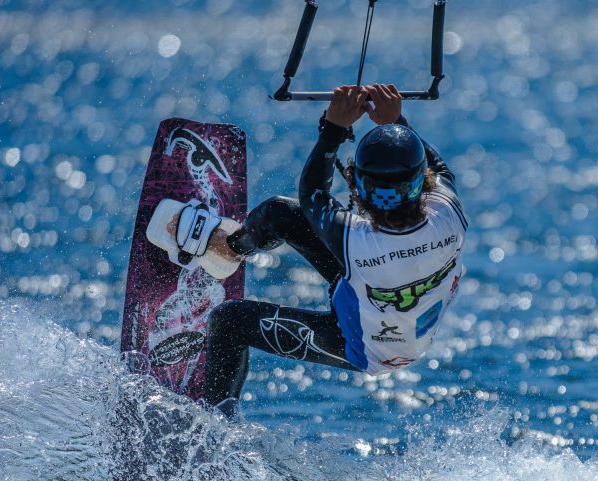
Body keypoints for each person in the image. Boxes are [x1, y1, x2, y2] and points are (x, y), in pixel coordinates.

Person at [190, 83, 468, 419]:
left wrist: (333, 128)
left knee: (229, 320)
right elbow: (436, 171)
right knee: (280, 213)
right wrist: (394, 124)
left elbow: (312, 192)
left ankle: (211, 428)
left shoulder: (356, 241)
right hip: (384, 298)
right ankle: (225, 249)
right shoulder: (448, 214)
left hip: (370, 346)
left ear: (358, 188)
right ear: (420, 182)